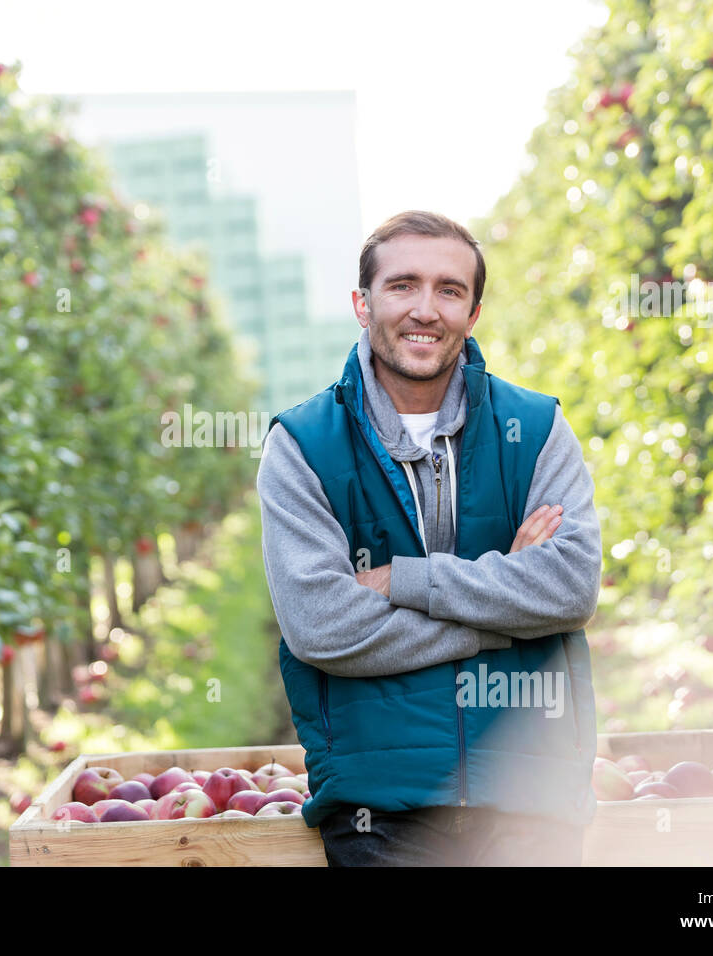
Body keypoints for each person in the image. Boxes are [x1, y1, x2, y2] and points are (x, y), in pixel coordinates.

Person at [256, 210, 602, 866]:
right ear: (362, 304)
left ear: (473, 313)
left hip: (532, 790)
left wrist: (407, 580)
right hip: (379, 805)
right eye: (402, 285)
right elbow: (322, 626)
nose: (426, 309)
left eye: (449, 290)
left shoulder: (535, 428)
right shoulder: (301, 447)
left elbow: (570, 587)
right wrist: (510, 610)